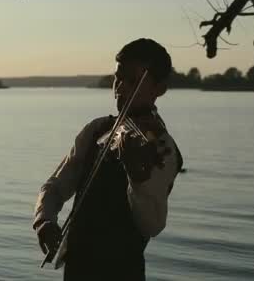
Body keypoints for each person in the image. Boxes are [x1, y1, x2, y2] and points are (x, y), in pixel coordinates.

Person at [33, 38, 184, 280]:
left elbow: (152, 224)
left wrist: (138, 177)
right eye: (118, 78)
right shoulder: (97, 130)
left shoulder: (162, 148)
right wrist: (44, 221)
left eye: (133, 81)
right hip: (76, 270)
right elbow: (55, 186)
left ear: (160, 89)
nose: (121, 88)